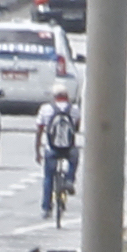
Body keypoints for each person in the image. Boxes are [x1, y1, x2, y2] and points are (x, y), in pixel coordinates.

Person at [39, 87, 81, 220]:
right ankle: (69, 179)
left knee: (48, 177)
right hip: (68, 149)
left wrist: (37, 150)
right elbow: (76, 127)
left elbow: (39, 129)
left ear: (54, 96)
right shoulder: (74, 109)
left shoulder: (46, 109)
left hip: (51, 148)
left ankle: (46, 208)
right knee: (75, 157)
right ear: (67, 96)